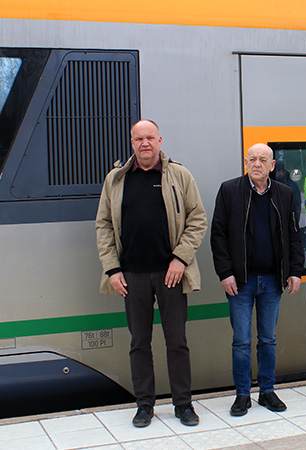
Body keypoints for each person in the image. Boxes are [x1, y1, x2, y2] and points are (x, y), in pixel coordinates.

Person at [95, 119, 207, 427]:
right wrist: (112, 269)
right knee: (139, 343)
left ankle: (183, 404)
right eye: (138, 139)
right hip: (131, 277)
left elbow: (197, 219)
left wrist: (180, 259)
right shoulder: (116, 180)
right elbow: (103, 225)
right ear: (131, 142)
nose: (145, 143)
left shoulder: (179, 175)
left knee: (177, 342)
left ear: (160, 140)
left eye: (150, 138)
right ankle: (144, 405)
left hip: (170, 274)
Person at [210, 143, 304, 416]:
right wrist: (225, 273)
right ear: (246, 163)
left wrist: (294, 271)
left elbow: (294, 236)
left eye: (263, 160)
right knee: (241, 341)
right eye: (253, 159)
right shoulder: (229, 191)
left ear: (272, 165)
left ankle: (266, 392)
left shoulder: (285, 193)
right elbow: (218, 236)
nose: (258, 164)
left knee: (268, 339)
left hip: (273, 281)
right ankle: (242, 395)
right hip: (240, 282)